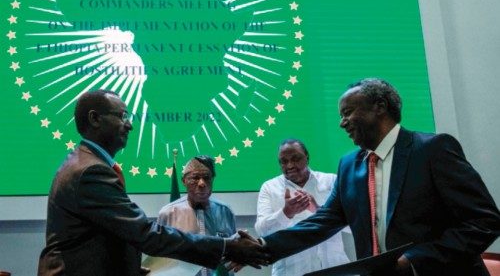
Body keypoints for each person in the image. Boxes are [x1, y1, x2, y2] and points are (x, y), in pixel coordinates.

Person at [257, 78, 500, 276]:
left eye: (348, 113)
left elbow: (484, 221)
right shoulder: (349, 165)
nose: (342, 123)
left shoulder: (433, 150)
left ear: (380, 107)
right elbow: (322, 222)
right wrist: (263, 248)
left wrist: (413, 262)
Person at [37, 90, 268, 276]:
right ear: (95, 118)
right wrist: (227, 246)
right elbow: (144, 233)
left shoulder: (85, 162)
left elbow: (108, 234)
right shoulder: (90, 171)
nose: (129, 125)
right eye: (122, 116)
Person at [255, 139, 350, 276]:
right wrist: (286, 212)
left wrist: (319, 210)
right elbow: (261, 230)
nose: (290, 165)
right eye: (284, 161)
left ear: (307, 157)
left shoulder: (331, 181)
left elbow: (354, 225)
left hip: (335, 269)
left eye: (295, 158)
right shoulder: (269, 188)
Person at [156, 155, 237, 276]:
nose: (202, 183)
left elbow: (234, 251)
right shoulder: (169, 213)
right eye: (195, 178)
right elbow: (159, 258)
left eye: (207, 178)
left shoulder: (225, 211)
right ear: (184, 181)